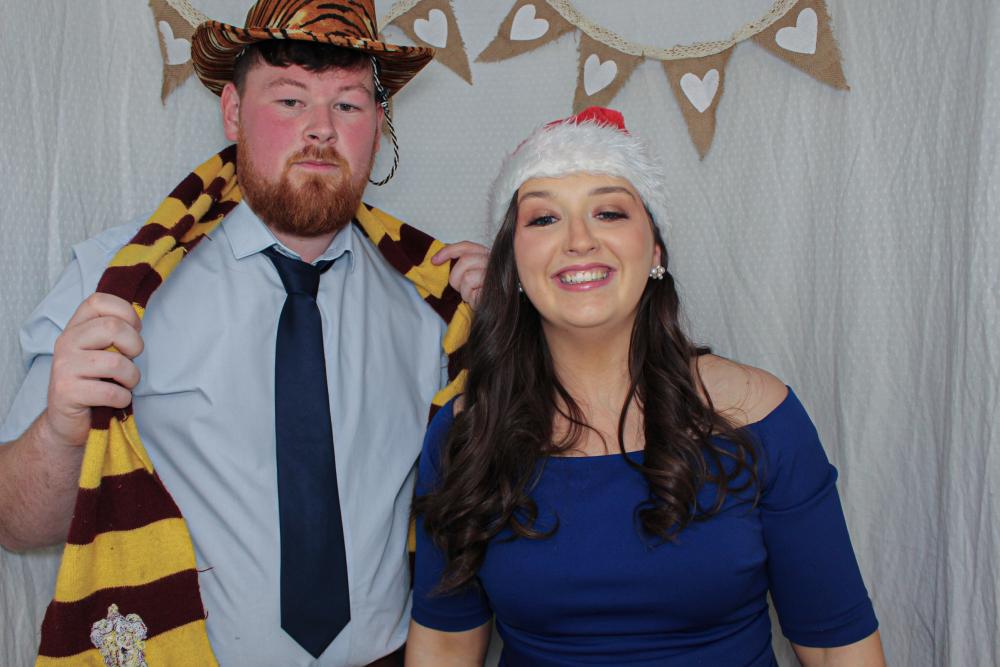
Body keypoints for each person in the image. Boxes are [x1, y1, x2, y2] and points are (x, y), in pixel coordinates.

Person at [0, 1, 486, 665]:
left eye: (348, 104)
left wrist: (512, 328)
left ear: (378, 123)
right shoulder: (116, 287)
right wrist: (61, 431)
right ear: (232, 112)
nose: (321, 129)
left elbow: (496, 501)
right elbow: (17, 524)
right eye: (289, 99)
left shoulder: (436, 302)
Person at [406, 107, 886, 666]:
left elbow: (835, 649)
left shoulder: (759, 414)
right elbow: (444, 645)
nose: (579, 240)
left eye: (608, 212)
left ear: (655, 250)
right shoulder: (467, 431)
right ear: (513, 262)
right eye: (544, 218)